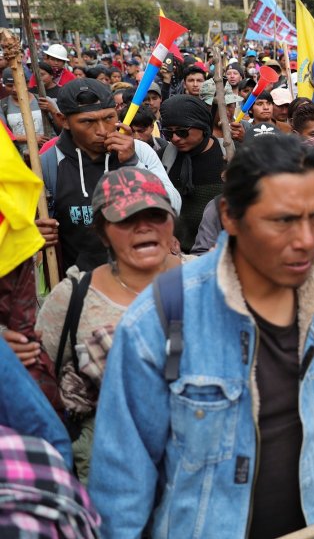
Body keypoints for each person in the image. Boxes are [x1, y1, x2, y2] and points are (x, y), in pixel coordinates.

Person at [88, 134, 314, 538]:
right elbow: (123, 475)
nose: (305, 240)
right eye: (282, 220)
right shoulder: (161, 315)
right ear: (230, 215)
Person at [37, 168, 185, 482]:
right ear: (103, 233)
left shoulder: (209, 281)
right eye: (126, 219)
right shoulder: (73, 296)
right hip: (112, 471)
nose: (143, 227)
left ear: (172, 221)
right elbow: (38, 376)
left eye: (155, 215)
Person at [35, 79, 180, 272]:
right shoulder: (47, 165)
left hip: (144, 281)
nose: (102, 131)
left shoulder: (138, 150)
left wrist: (133, 163)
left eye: (109, 118)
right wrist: (35, 234)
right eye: (87, 122)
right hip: (82, 288)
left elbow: (174, 206)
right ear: (63, 121)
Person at [159, 95, 226, 252]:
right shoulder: (163, 158)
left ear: (202, 126)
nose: (175, 138)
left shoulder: (229, 155)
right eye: (168, 133)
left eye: (182, 132)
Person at [0, 68, 45, 155]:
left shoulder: (42, 101)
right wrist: (31, 138)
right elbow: (3, 134)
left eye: (18, 84)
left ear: (27, 84)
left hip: (44, 154)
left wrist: (52, 110)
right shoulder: (2, 105)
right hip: (18, 156)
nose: (14, 89)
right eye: (9, 85)